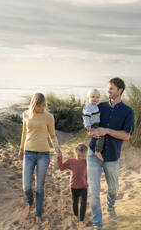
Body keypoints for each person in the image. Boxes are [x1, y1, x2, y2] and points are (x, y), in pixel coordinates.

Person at [87, 78, 135, 230]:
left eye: (111, 89)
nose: (108, 91)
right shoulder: (99, 106)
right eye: (108, 88)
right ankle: (97, 224)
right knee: (94, 191)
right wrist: (91, 131)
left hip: (112, 156)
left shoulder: (128, 112)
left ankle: (110, 206)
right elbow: (88, 123)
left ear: (120, 90)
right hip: (94, 153)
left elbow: (127, 135)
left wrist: (107, 131)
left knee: (113, 188)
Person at [18, 92, 61, 224]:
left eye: (44, 105)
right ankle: (30, 202)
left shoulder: (49, 117)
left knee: (39, 187)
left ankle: (38, 213)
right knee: (26, 187)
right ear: (34, 104)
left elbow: (52, 135)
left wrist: (57, 149)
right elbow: (24, 133)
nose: (42, 108)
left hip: (44, 154)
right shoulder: (26, 114)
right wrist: (20, 150)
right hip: (28, 153)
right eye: (39, 106)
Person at [57, 143, 88, 228]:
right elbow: (61, 167)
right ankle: (75, 215)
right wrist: (59, 157)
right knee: (75, 202)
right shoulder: (71, 161)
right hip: (74, 186)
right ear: (75, 152)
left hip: (84, 186)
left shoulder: (87, 161)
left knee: (83, 203)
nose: (81, 158)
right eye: (79, 155)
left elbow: (93, 169)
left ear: (86, 155)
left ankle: (81, 220)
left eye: (83, 156)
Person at [82, 89, 104, 161]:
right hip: (92, 125)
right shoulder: (89, 106)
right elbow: (86, 117)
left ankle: (97, 149)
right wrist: (88, 127)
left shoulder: (95, 106)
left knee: (97, 136)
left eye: (97, 97)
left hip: (96, 124)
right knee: (101, 136)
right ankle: (97, 151)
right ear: (88, 98)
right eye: (93, 96)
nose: (95, 99)